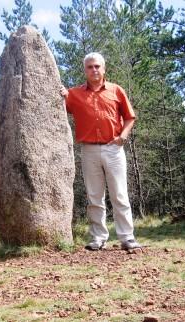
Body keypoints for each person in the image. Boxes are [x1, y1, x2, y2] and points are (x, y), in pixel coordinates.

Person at [60, 52, 141, 251]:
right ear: (85, 70)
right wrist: (61, 94)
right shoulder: (74, 94)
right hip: (88, 150)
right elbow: (60, 107)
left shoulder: (116, 90)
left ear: (103, 69)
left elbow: (130, 117)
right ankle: (98, 237)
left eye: (97, 66)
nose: (94, 70)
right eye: (90, 67)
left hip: (114, 148)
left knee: (119, 194)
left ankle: (127, 237)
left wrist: (123, 136)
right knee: (94, 196)